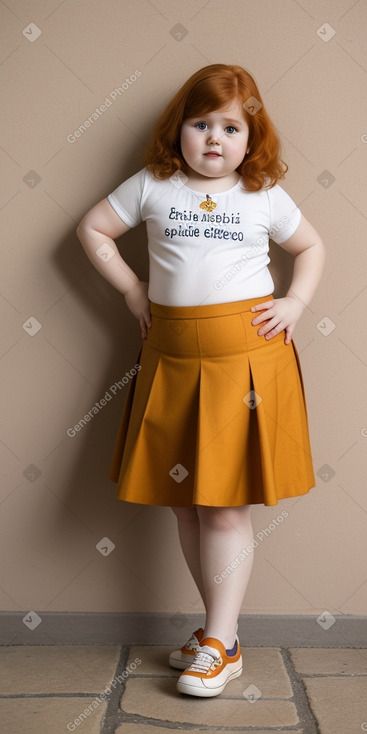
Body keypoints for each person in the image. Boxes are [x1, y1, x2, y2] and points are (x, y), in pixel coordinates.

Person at [76, 63, 325, 698]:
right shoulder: (153, 184)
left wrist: (294, 305)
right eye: (201, 124)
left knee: (223, 507)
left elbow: (312, 248)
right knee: (188, 504)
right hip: (172, 363)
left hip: (246, 368)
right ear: (178, 131)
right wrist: (133, 289)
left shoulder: (264, 193)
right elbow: (92, 229)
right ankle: (219, 628)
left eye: (231, 127)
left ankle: (222, 643)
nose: (215, 138)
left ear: (252, 138)